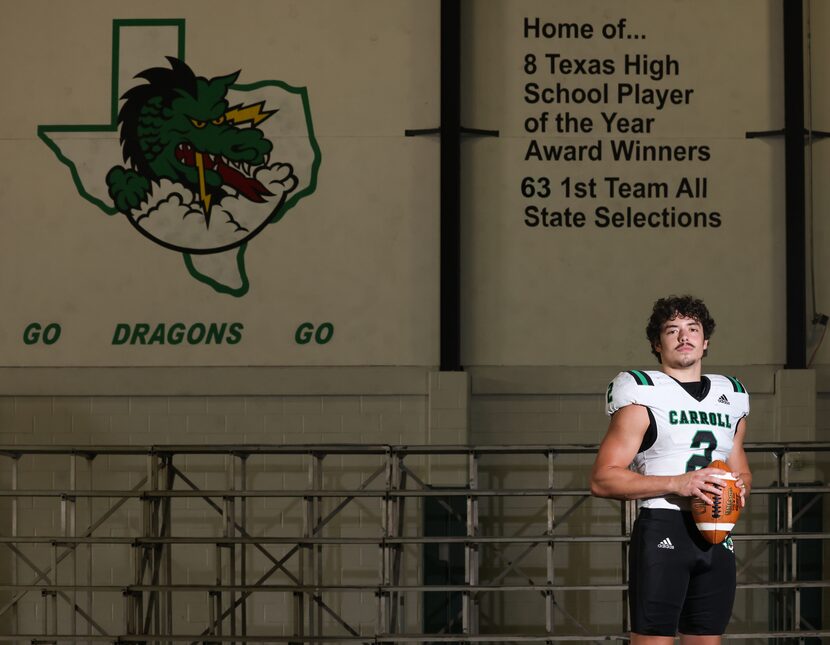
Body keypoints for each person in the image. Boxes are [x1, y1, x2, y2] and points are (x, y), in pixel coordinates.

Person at [590, 295, 751, 645]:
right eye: (672, 330)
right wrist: (680, 482)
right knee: (652, 641)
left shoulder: (732, 395)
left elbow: (743, 471)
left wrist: (732, 492)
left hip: (717, 532)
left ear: (705, 341)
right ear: (656, 343)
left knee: (707, 640)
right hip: (665, 526)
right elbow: (603, 478)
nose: (684, 336)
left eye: (693, 328)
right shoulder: (642, 392)